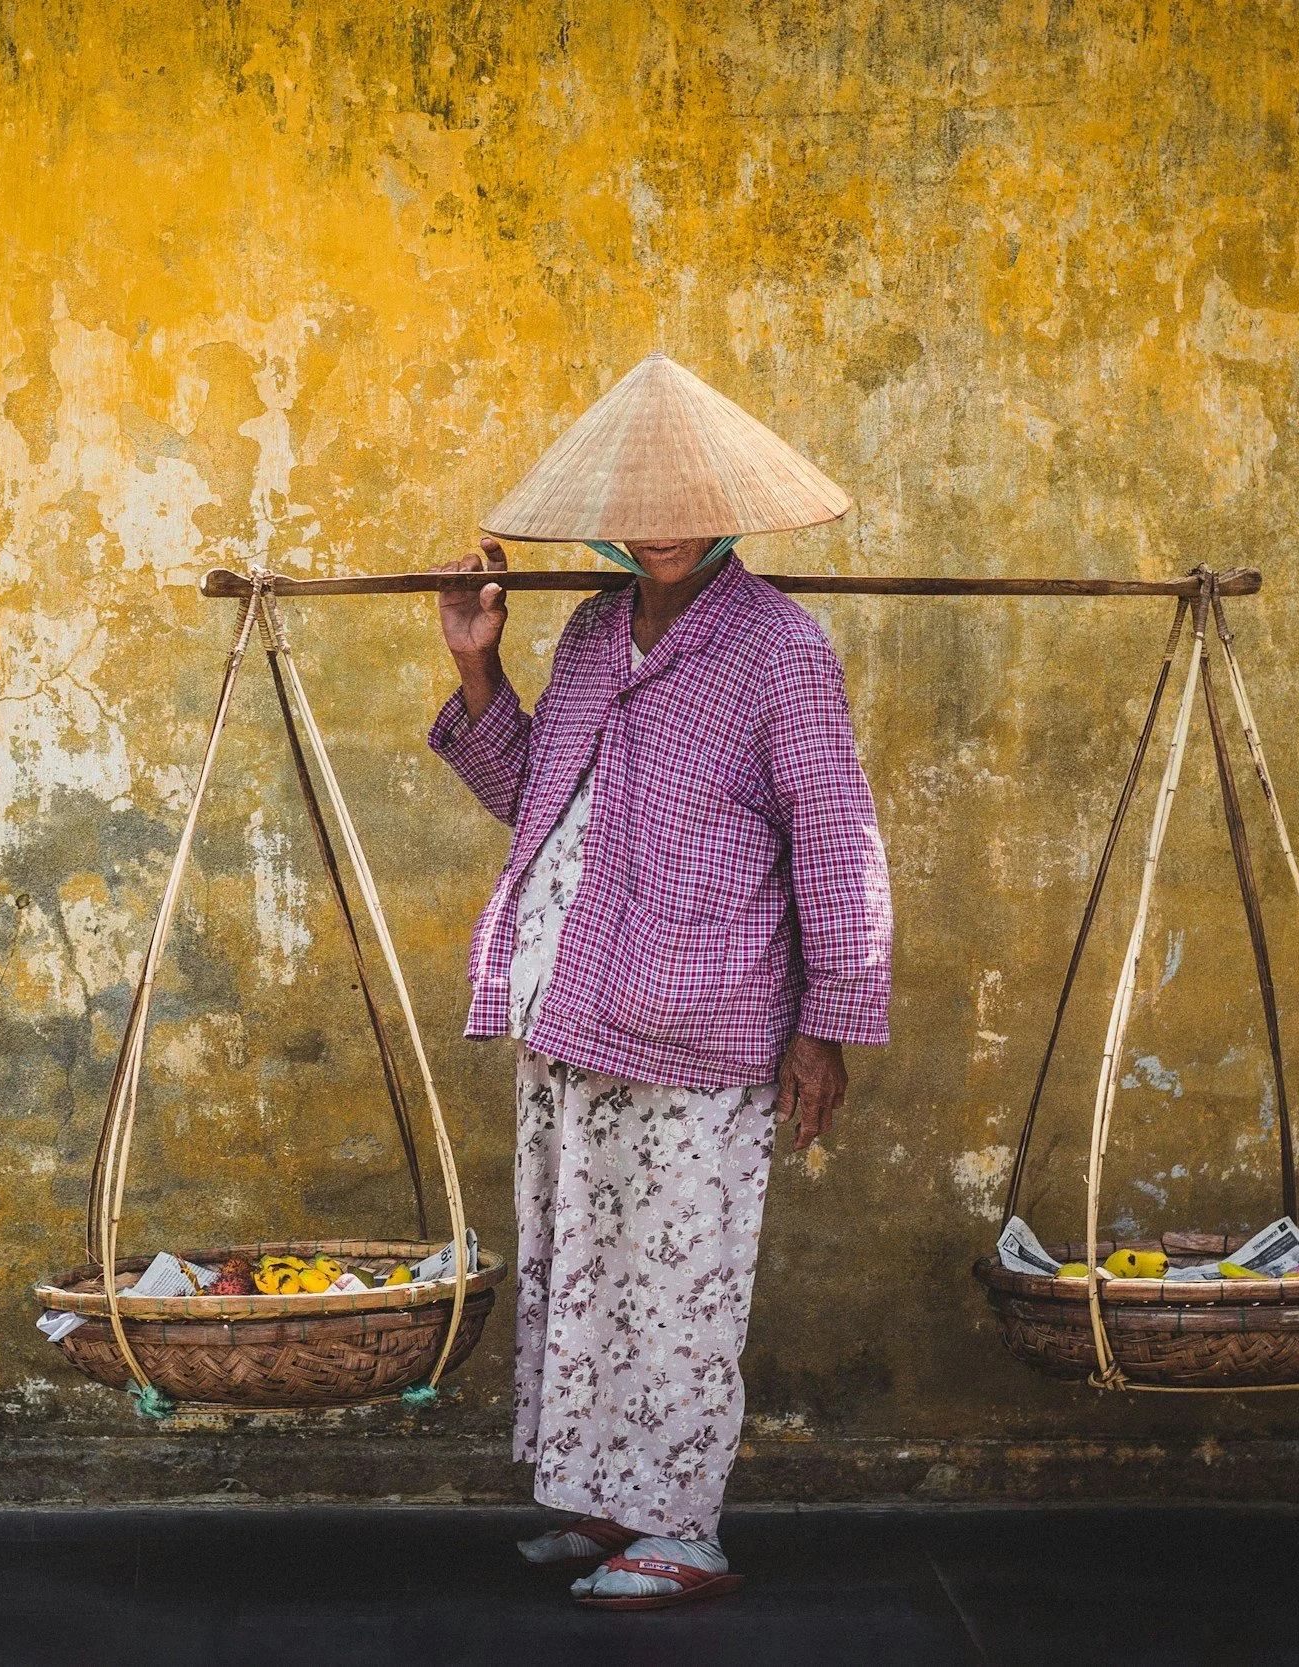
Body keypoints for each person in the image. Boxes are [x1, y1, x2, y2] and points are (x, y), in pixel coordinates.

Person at [426, 354, 893, 1610]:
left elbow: (836, 835)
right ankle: (603, 1498)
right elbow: (539, 802)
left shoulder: (781, 647)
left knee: (680, 1275)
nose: (663, 526)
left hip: (700, 1012)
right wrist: (479, 668)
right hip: (571, 1000)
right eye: (638, 505)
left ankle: (682, 1525)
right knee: (580, 1260)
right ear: (607, 517)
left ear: (732, 506)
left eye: (688, 502)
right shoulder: (587, 631)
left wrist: (827, 1022)